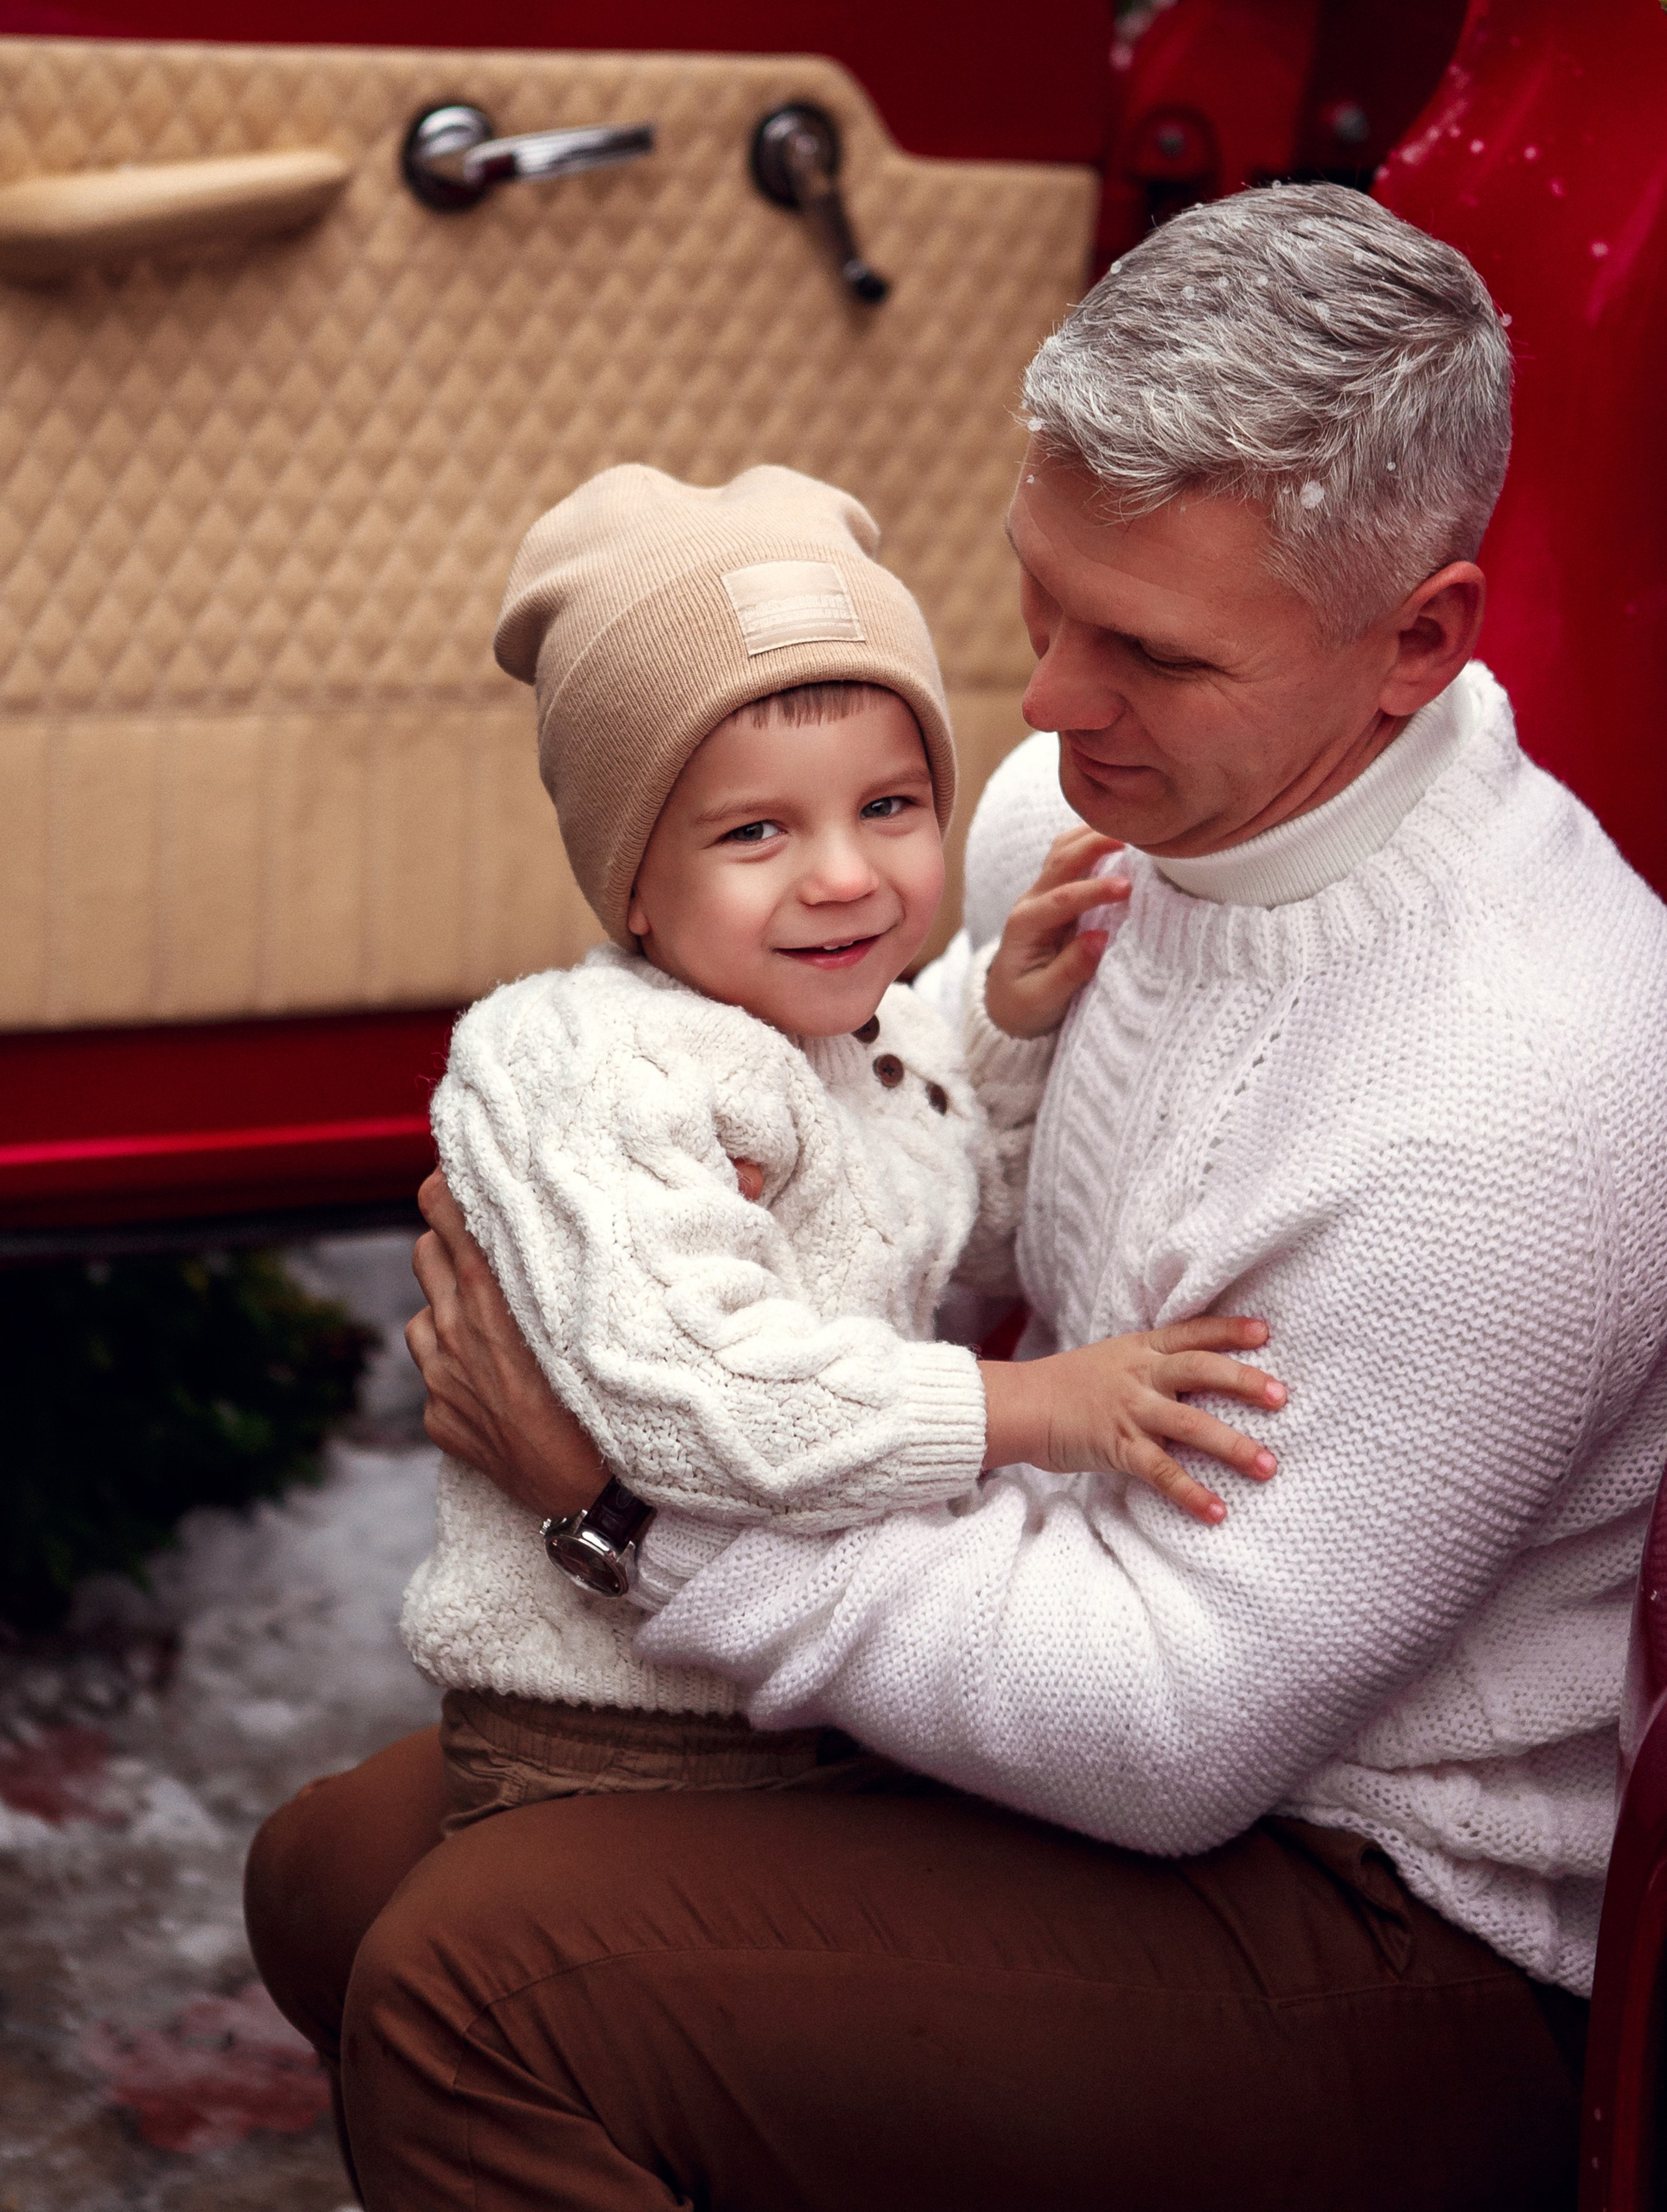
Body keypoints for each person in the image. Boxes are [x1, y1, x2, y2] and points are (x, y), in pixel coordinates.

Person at [246, 184, 1667, 2212]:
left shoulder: (1515, 1100)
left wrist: (626, 1511)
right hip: (1057, 1704)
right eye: (1044, 599)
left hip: (1372, 1922)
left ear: (1417, 642)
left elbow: (1180, 1727)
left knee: (480, 1995)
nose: (1054, 704)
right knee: (331, 1876)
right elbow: (935, 1204)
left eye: (1155, 653)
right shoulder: (1078, 830)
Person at [404, 459, 1279, 1832]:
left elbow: (955, 1222)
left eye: (887, 806)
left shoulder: (846, 1033)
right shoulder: (594, 1060)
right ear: (629, 876)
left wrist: (992, 1029)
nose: (843, 875)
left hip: (794, 1698)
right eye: (756, 830)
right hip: (609, 1740)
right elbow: (706, 1402)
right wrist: (1038, 1410)